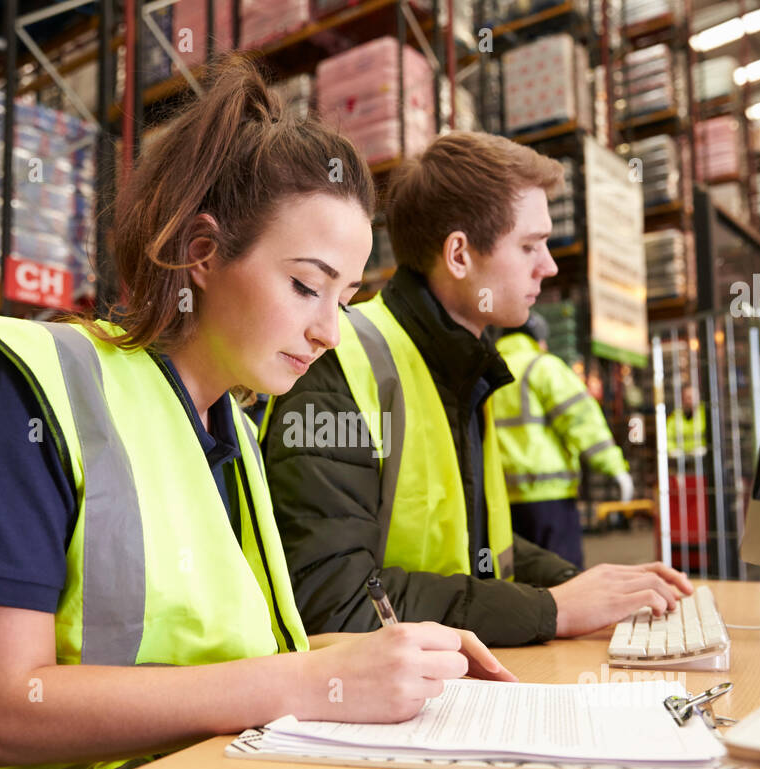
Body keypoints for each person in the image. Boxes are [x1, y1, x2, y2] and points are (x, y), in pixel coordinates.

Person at [0, 57, 514, 769]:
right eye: (307, 287)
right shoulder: (23, 387)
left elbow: (226, 659)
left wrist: (386, 657)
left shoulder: (231, 432)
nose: (328, 332)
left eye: (344, 299)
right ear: (202, 253)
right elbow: (5, 709)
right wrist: (307, 683)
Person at [262, 131, 692, 648]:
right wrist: (550, 609)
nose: (548, 265)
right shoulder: (338, 363)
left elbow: (480, 552)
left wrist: (583, 585)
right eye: (530, 245)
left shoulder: (463, 368)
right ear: (460, 255)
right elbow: (336, 602)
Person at [492, 312, 633, 569]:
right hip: (549, 496)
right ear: (538, 340)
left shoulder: (486, 370)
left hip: (500, 499)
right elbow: (580, 419)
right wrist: (615, 468)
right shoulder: (542, 366)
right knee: (561, 574)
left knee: (517, 579)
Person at [666, 384, 707, 458]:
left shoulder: (706, 413)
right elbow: (668, 438)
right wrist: (672, 450)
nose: (691, 401)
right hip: (681, 458)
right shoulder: (675, 416)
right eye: (688, 398)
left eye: (693, 397)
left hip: (704, 457)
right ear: (682, 399)